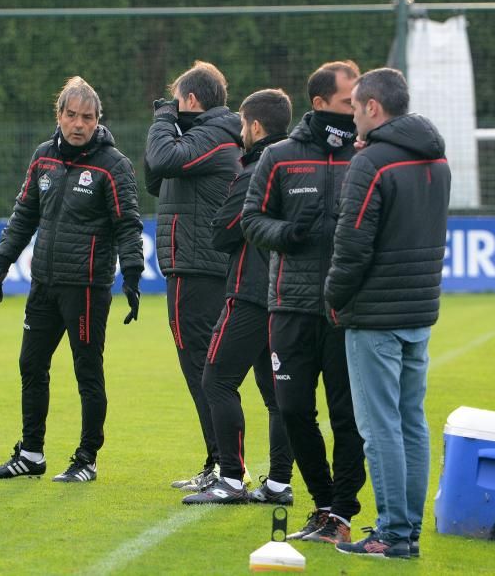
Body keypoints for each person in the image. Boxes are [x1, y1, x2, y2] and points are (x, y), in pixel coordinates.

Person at [0, 76, 144, 482]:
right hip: (44, 284)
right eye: (71, 115)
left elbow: (128, 225)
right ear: (58, 115)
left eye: (87, 117)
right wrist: (3, 263)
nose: (78, 124)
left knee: (87, 372)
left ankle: (86, 458)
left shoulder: (113, 166)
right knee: (31, 363)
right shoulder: (43, 158)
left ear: (97, 120)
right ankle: (32, 454)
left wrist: (132, 275)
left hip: (86, 288)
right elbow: (24, 214)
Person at [325, 68, 450, 559]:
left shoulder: (371, 164)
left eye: (355, 106)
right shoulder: (437, 159)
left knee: (380, 429)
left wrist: (334, 298)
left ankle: (392, 534)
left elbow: (351, 245)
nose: (351, 114)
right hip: (419, 311)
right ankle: (409, 529)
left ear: (374, 108)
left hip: (375, 316)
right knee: (410, 423)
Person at [241, 61, 366, 544]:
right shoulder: (279, 157)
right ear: (319, 104)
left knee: (347, 417)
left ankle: (342, 512)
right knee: (292, 410)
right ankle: (323, 502)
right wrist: (286, 233)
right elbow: (252, 220)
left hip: (345, 312)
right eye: (346, 102)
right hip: (288, 308)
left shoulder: (366, 157)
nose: (355, 109)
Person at [182, 89, 296, 505]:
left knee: (217, 380)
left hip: (249, 292)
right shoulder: (293, 165)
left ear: (256, 126)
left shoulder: (254, 171)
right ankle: (279, 484)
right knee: (277, 393)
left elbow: (222, 230)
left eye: (243, 124)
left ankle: (231, 479)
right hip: (283, 296)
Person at [144, 61, 243, 491]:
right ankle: (217, 460)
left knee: (203, 366)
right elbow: (155, 172)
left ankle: (226, 465)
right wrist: (166, 126)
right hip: (192, 262)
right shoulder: (203, 137)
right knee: (200, 365)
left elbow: (162, 156)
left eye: (177, 100)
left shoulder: (215, 133)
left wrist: (164, 121)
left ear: (190, 100)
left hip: (197, 265)